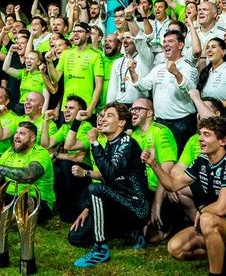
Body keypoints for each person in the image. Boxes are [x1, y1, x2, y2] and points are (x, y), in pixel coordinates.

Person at [143, 116, 226, 275]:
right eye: (200, 134)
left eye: (206, 135)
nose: (200, 138)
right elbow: (173, 185)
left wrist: (202, 212)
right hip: (213, 225)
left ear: (222, 141)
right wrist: (154, 164)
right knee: (175, 248)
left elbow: (222, 207)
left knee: (207, 219)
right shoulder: (201, 160)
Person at [70, 103, 150, 268]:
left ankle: (100, 248)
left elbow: (110, 173)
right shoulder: (110, 144)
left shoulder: (126, 143)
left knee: (94, 188)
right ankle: (129, 231)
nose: (102, 119)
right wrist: (88, 207)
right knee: (76, 237)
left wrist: (94, 143)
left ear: (121, 123)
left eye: (109, 116)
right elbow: (108, 178)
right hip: (117, 202)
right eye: (103, 115)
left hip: (136, 207)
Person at [129, 30, 198, 152]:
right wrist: (132, 72)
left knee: (179, 158)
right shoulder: (159, 67)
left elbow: (191, 90)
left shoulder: (189, 66)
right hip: (160, 122)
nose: (166, 44)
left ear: (180, 45)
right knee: (161, 156)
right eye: (164, 41)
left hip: (182, 123)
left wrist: (176, 73)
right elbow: (143, 86)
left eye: (170, 41)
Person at [128, 98, 179, 243]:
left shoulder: (161, 132)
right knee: (142, 234)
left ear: (150, 113)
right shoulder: (133, 136)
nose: (133, 112)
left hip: (160, 190)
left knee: (152, 237)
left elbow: (166, 171)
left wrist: (156, 205)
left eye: (138, 109)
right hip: (142, 191)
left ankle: (174, 224)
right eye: (132, 109)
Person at [40, 96, 93, 222]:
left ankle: (74, 207)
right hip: (70, 168)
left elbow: (80, 158)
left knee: (65, 165)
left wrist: (56, 155)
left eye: (71, 108)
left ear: (80, 112)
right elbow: (46, 145)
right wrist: (46, 122)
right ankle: (63, 206)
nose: (66, 111)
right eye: (66, 107)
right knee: (55, 169)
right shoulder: (65, 127)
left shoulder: (86, 127)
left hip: (86, 171)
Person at [47, 22, 104, 113]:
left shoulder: (96, 55)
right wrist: (49, 63)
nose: (76, 34)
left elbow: (99, 86)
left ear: (87, 35)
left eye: (79, 31)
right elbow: (55, 79)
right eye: (74, 31)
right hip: (66, 106)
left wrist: (90, 108)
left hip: (85, 106)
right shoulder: (66, 53)